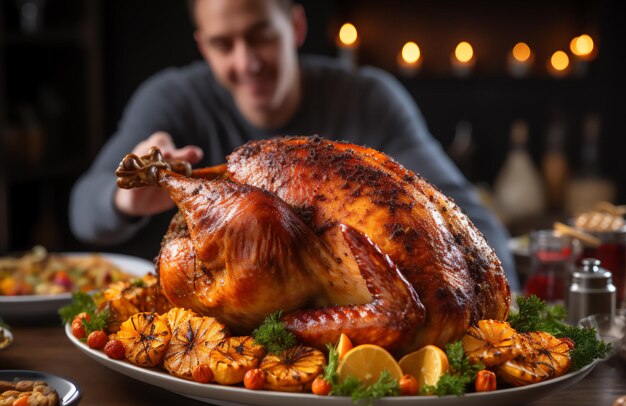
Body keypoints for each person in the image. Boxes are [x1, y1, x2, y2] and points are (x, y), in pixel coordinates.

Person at [69, 0, 520, 291]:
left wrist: (507, 298)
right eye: (224, 44)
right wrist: (123, 200)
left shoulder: (367, 99)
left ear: (297, 26)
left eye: (261, 34)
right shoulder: (170, 98)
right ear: (203, 47)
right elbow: (83, 212)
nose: (247, 62)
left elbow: (455, 205)